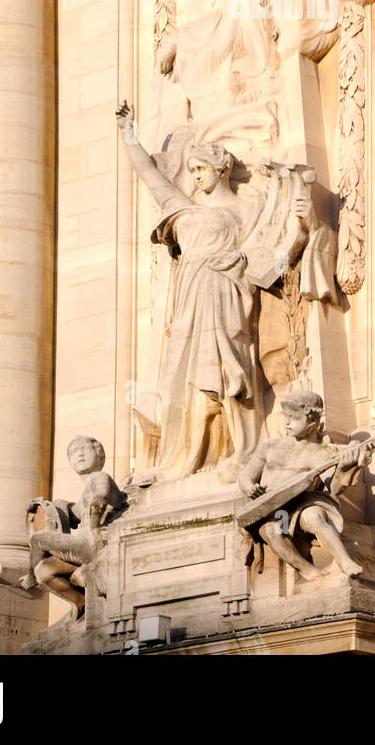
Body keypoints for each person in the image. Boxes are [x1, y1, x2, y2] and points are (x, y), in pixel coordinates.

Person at [116, 104, 259, 478]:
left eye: (201, 170)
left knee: (224, 374)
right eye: (192, 171)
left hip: (225, 294)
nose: (196, 178)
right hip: (190, 298)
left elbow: (269, 253)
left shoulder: (247, 209)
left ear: (221, 168)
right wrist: (128, 133)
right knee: (180, 376)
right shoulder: (184, 207)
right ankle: (182, 456)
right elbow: (149, 175)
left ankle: (237, 449)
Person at [238, 389, 372, 579]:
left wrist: (344, 467)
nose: (286, 422)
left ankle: (345, 561)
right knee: (273, 529)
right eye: (286, 416)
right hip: (277, 510)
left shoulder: (321, 453)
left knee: (314, 516)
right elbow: (245, 477)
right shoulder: (270, 447)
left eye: (293, 418)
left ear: (312, 421)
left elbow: (333, 490)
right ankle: (308, 571)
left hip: (301, 505)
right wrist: (251, 488)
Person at [20, 436, 124, 620]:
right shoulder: (86, 490)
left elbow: (101, 497)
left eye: (85, 449)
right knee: (44, 571)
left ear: (100, 456)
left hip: (94, 542)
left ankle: (29, 576)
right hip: (83, 545)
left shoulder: (101, 477)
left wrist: (93, 526)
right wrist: (47, 508)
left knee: (37, 539)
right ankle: (81, 603)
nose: (80, 454)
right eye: (75, 452)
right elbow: (74, 514)